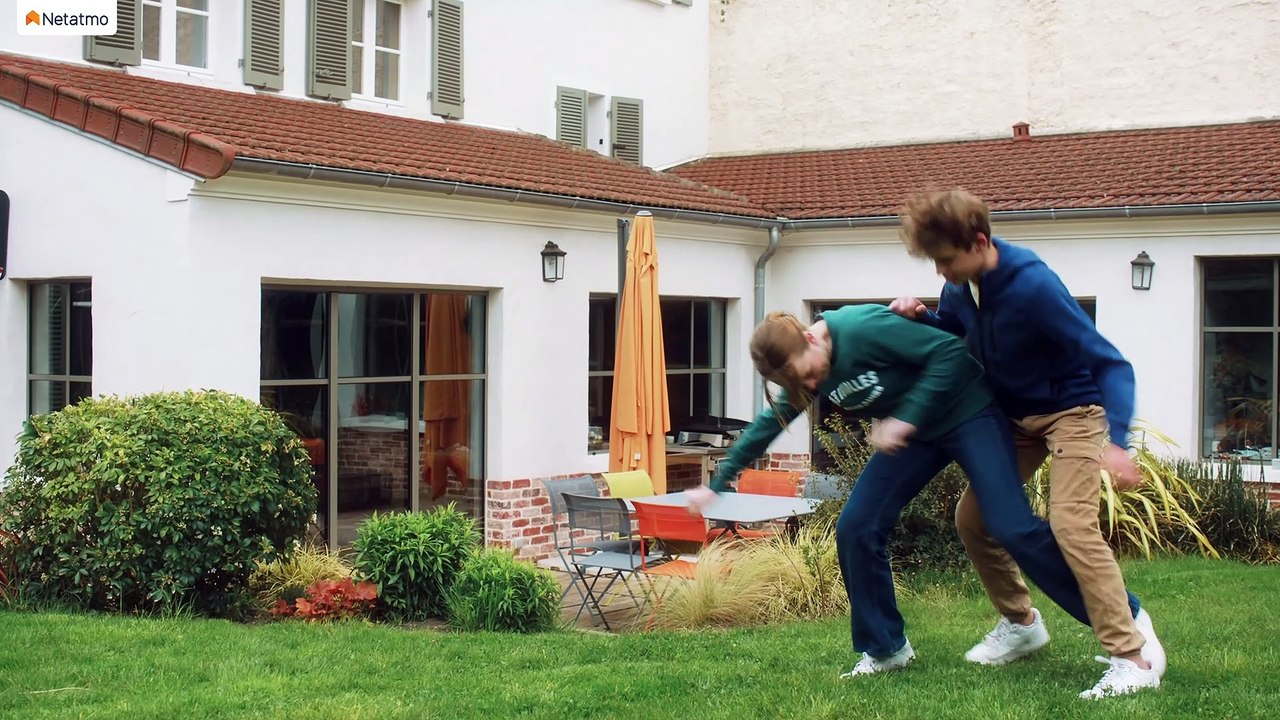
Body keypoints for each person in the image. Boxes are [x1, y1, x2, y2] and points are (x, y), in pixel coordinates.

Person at [685, 305, 1117, 685]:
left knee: (1009, 524)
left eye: (812, 371)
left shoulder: (862, 328)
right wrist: (717, 484)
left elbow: (949, 353)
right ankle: (886, 649)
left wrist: (905, 418)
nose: (815, 382)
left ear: (811, 337)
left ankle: (1123, 623)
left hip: (968, 412)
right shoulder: (803, 368)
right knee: (858, 524)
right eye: (805, 381)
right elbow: (769, 423)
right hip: (916, 434)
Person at [890, 188, 1166, 699]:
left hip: (1073, 413)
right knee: (973, 518)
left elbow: (1109, 360)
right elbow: (958, 331)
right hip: (1018, 418)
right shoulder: (960, 286)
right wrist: (922, 318)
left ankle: (1132, 656)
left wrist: (1120, 442)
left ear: (978, 241)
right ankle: (1020, 624)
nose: (940, 272)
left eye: (946, 260)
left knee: (1070, 522)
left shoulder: (1033, 284)